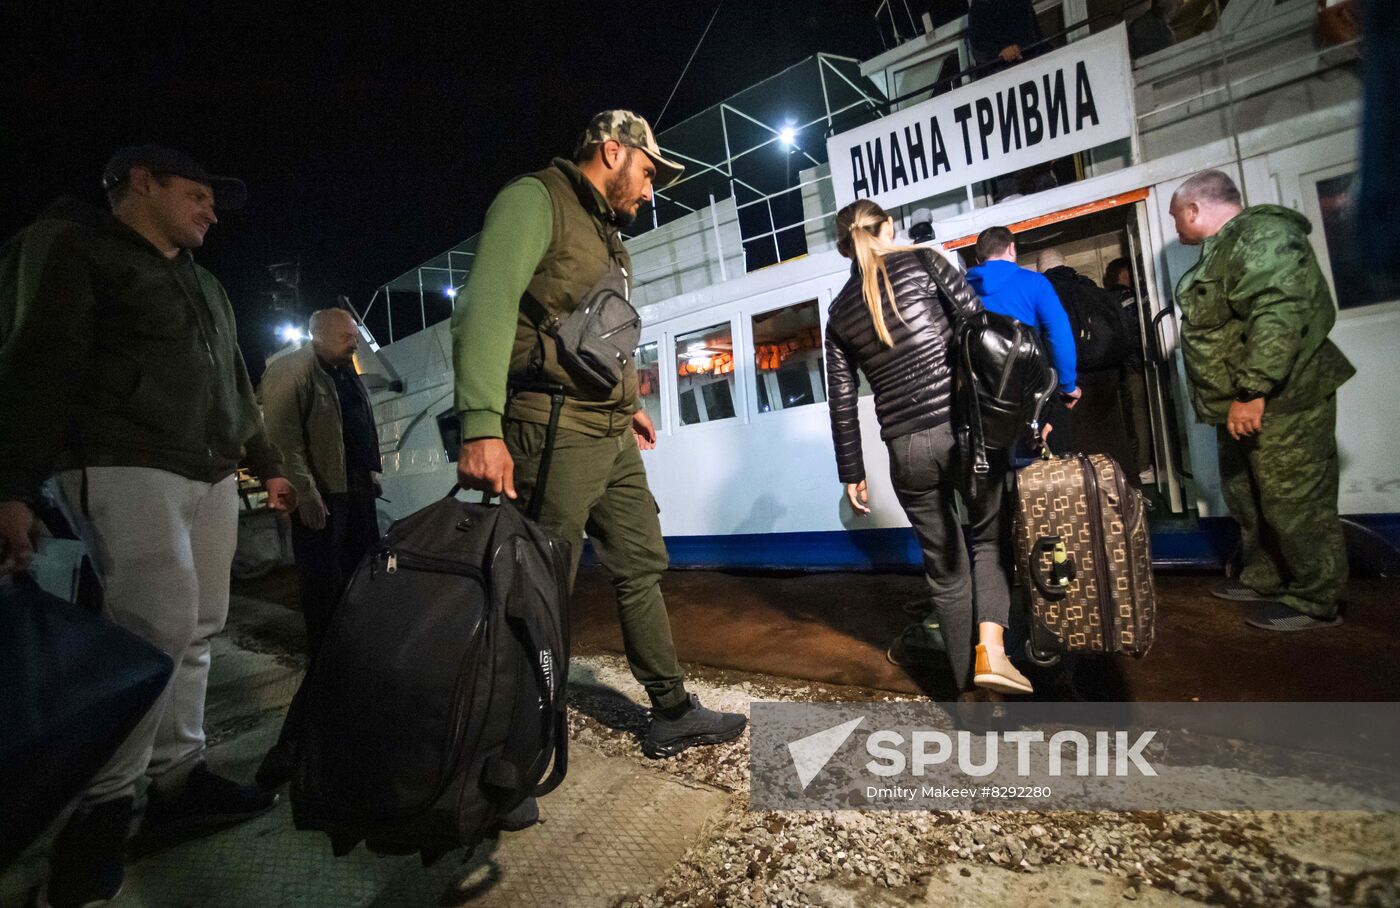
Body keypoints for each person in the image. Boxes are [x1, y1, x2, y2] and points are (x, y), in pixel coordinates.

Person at [0, 145, 294, 908]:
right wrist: (13, 485)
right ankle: (101, 812)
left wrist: (269, 463)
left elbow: (236, 383)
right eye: (197, 195)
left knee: (199, 626)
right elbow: (38, 363)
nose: (211, 212)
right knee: (150, 632)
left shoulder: (205, 285)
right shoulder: (80, 249)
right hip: (124, 459)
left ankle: (178, 780)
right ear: (141, 183)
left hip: (207, 470)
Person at [451, 110, 746, 773]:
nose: (650, 190)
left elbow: (599, 333)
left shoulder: (608, 233)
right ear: (611, 152)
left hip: (607, 429)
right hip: (549, 426)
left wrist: (630, 404)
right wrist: (480, 425)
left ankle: (670, 709)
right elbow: (486, 305)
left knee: (641, 562)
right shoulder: (535, 201)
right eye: (647, 173)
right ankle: (507, 749)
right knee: (535, 585)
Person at [825, 199, 1032, 700]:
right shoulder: (925, 260)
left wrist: (851, 471)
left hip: (906, 450)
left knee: (945, 571)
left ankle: (969, 698)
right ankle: (991, 652)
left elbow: (843, 401)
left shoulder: (838, 315)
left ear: (843, 248)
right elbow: (980, 329)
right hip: (964, 432)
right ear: (889, 227)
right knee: (988, 541)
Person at [1169, 170, 1356, 631]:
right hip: (1239, 406)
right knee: (1249, 496)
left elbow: (1278, 312)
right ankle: (1267, 576)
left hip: (1279, 402)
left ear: (1194, 209)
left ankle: (1316, 598)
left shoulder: (1263, 235)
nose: (1176, 229)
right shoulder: (1228, 247)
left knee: (1292, 499)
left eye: (1177, 218)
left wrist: (1253, 391)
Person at [253, 307, 382, 790]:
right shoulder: (292, 368)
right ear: (319, 334)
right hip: (324, 499)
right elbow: (281, 436)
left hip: (354, 493)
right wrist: (305, 493)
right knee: (326, 602)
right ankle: (308, 726)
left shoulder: (343, 369)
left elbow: (355, 426)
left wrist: (372, 470)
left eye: (355, 335)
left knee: (364, 587)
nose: (355, 341)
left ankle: (352, 678)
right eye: (347, 335)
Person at [966, 227, 1080, 453]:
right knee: (1045, 462)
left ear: (979, 259)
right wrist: (1068, 385)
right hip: (1029, 391)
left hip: (982, 398)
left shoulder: (962, 288)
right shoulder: (1035, 283)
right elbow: (1060, 334)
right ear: (1011, 248)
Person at [1104, 256, 1158, 484]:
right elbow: (1140, 326)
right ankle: (1143, 466)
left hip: (1117, 368)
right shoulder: (1128, 298)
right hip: (1136, 364)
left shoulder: (1105, 299)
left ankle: (1134, 464)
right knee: (1141, 416)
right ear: (1124, 275)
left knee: (1130, 416)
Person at [967, 0, 1045, 71]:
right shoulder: (979, 6)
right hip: (1004, 73)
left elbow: (1034, 32)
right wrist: (1000, 53)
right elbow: (979, 49)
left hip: (1034, 63)